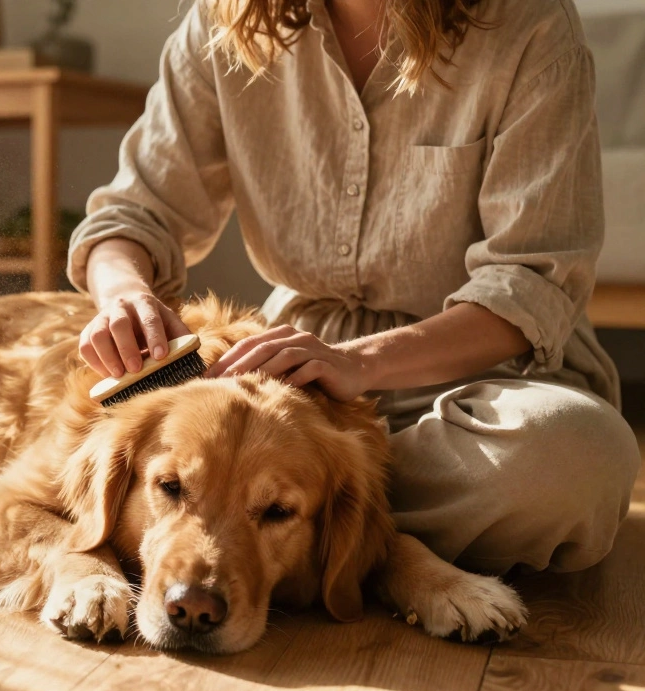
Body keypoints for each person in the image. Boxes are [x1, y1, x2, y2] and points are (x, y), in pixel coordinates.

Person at [68, 0, 641, 575]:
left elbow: (530, 282)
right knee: (109, 439)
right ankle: (304, 527)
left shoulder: (529, 22)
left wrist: (360, 362)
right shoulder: (225, 22)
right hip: (295, 385)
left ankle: (307, 520)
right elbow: (131, 216)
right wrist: (124, 293)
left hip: (485, 373)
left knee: (577, 457)